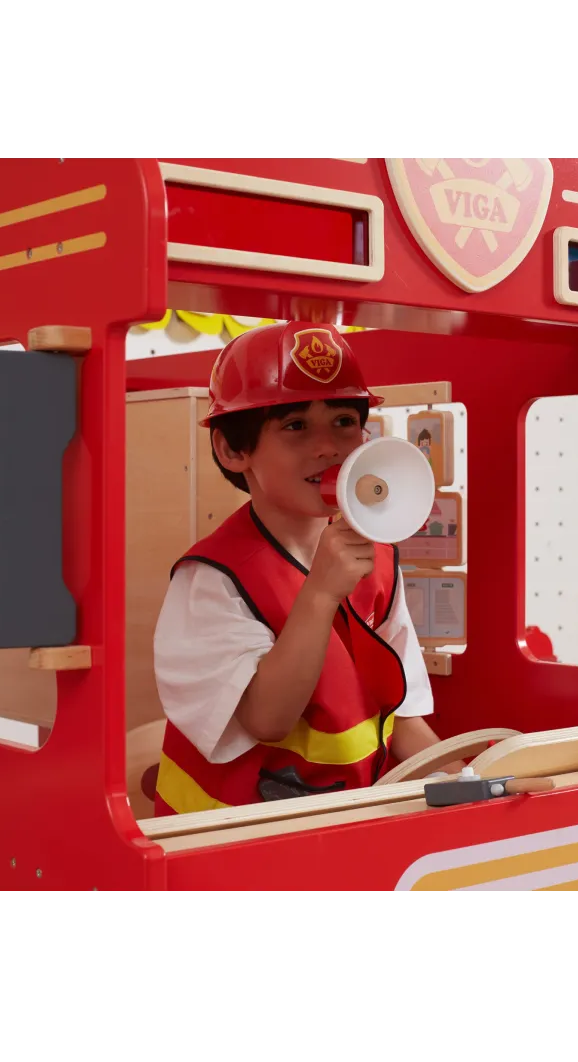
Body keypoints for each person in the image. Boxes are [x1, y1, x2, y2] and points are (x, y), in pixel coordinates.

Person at [152, 321, 439, 815]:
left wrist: (463, 777)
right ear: (232, 450)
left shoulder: (379, 558)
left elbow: (403, 715)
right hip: (229, 839)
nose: (328, 447)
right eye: (295, 426)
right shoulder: (212, 579)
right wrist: (321, 594)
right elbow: (267, 719)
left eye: (344, 421)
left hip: (338, 827)